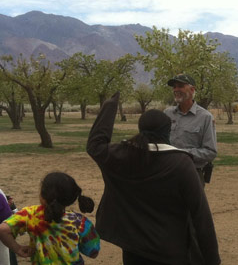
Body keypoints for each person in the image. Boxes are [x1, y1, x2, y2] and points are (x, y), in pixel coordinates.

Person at [86, 92, 220, 265]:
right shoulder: (181, 164)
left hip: (133, 249)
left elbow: (95, 145)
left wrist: (110, 105)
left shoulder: (120, 156)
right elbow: (200, 216)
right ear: (167, 131)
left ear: (140, 129)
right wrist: (212, 259)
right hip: (170, 251)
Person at [0, 171, 100, 265]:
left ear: (42, 195)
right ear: (71, 198)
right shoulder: (79, 222)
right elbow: (93, 252)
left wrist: (17, 248)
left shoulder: (30, 214)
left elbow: (2, 230)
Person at [164, 74, 217, 185]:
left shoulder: (205, 117)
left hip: (191, 175)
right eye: (174, 87)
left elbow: (210, 152)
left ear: (192, 90)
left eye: (180, 86)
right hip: (166, 173)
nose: (176, 90)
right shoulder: (167, 114)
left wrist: (180, 154)